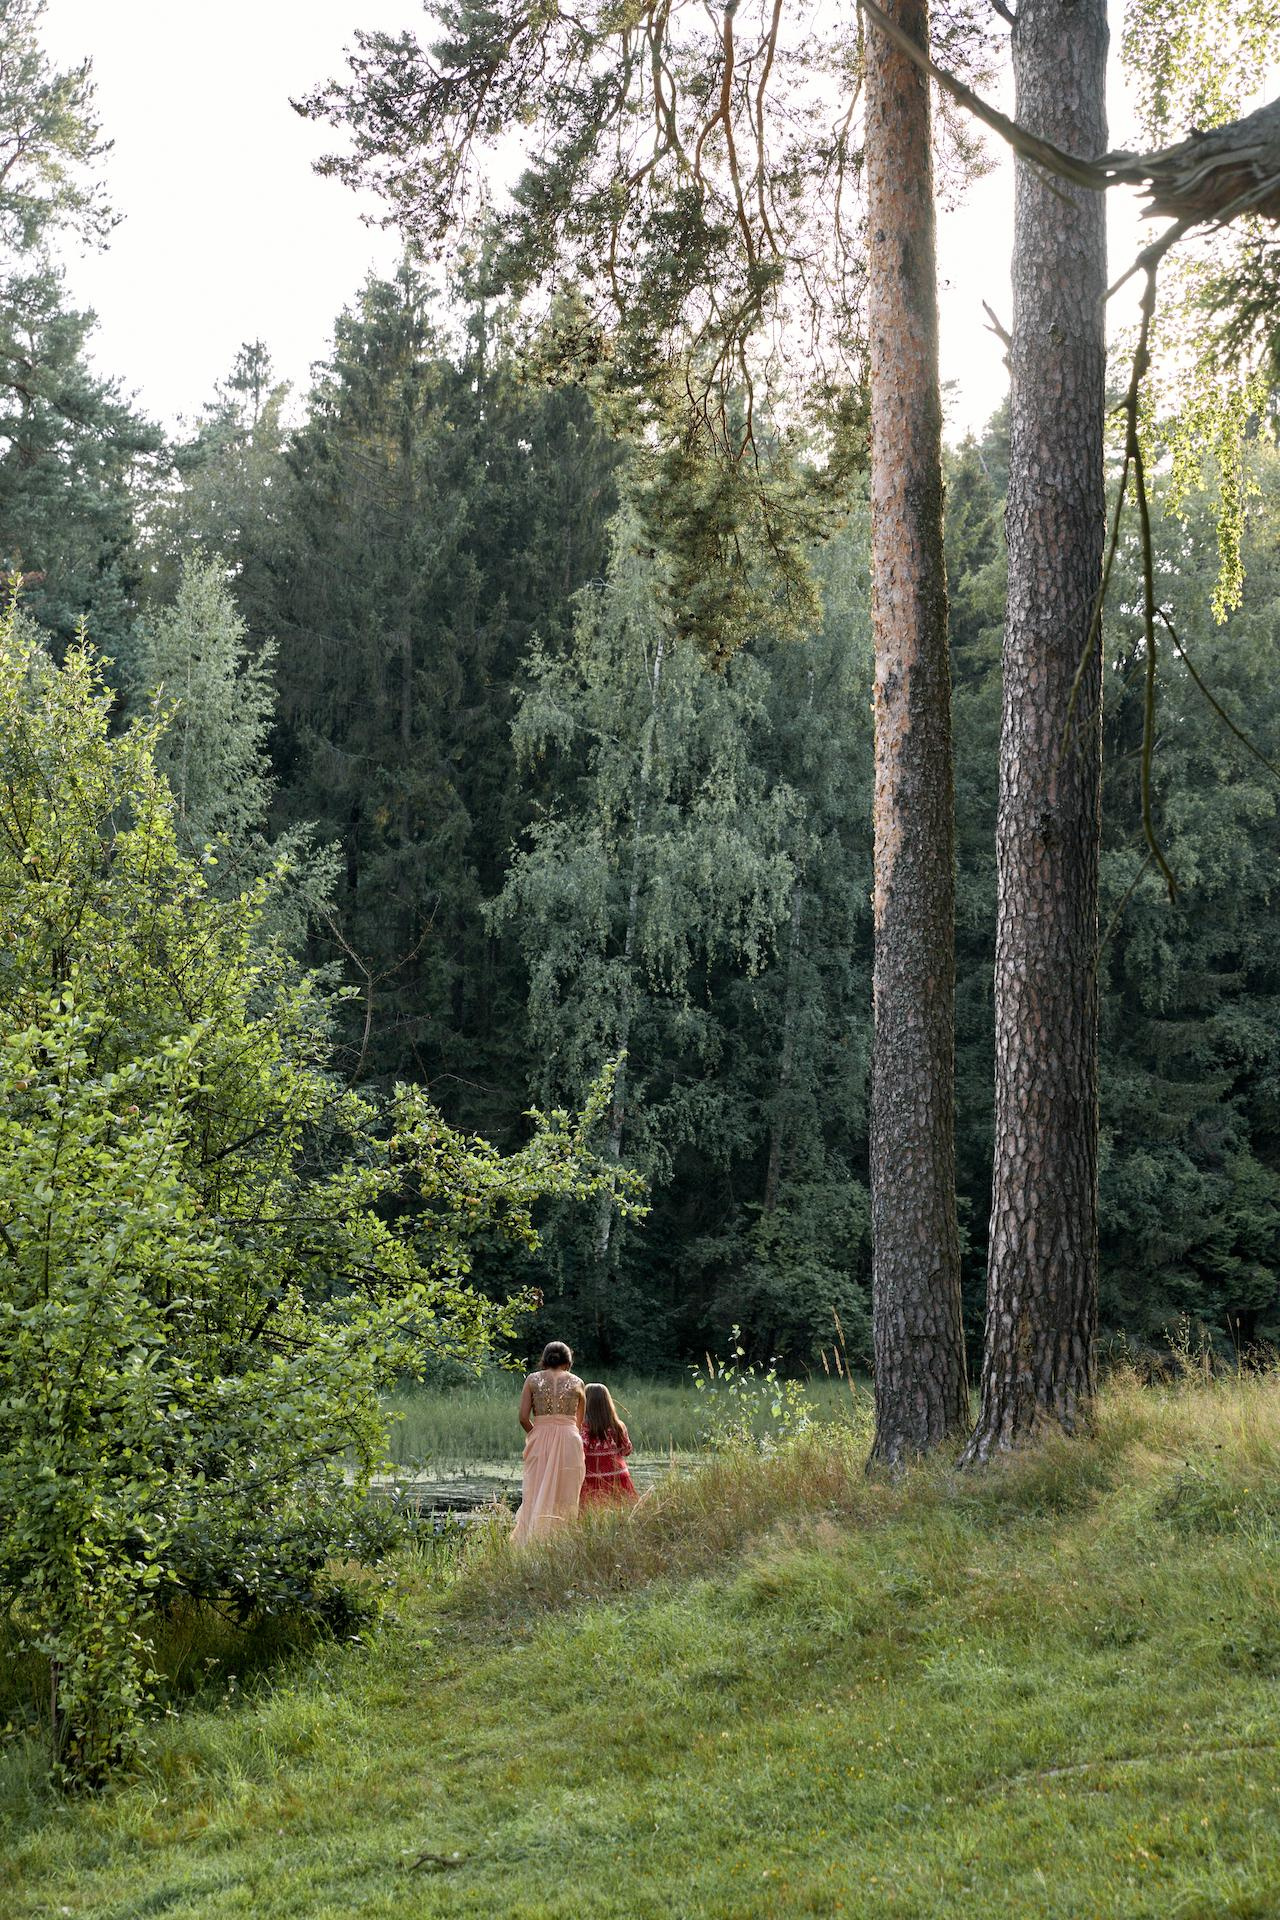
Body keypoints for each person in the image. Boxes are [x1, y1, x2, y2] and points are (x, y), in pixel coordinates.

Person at [510, 1341, 586, 1545]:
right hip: (570, 1438)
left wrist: (537, 1434)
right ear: (568, 1361)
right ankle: (561, 1541)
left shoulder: (532, 1380)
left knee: (535, 1488)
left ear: (544, 1359)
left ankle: (532, 1540)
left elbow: (523, 1418)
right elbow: (579, 1423)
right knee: (566, 1492)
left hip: (540, 1436)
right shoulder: (578, 1382)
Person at [579, 1382, 638, 1508]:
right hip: (619, 1477)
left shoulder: (583, 1428)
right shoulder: (618, 1426)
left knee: (591, 1515)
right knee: (622, 1513)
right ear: (608, 1403)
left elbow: (580, 1453)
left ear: (585, 1403)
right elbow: (627, 1451)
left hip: (592, 1479)